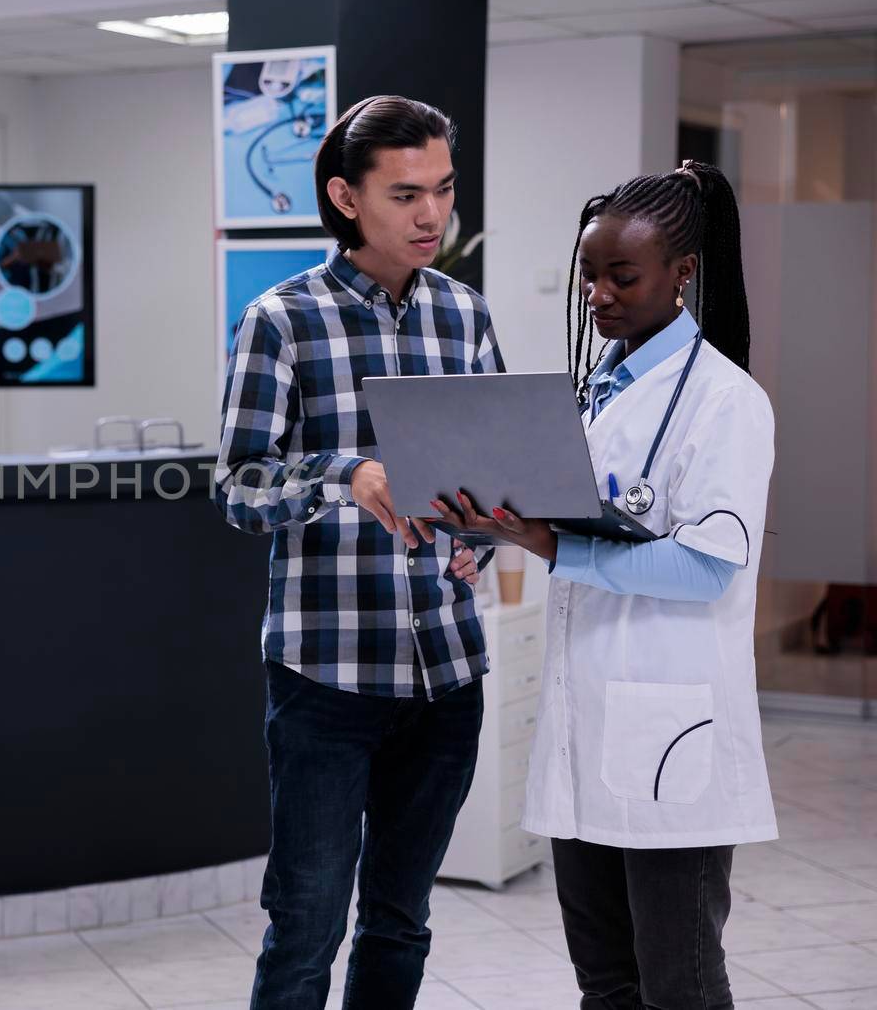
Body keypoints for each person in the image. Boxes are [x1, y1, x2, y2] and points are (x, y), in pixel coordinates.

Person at [435, 161, 773, 1009]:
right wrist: (492, 528)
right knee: (606, 979)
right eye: (591, 273)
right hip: (588, 718)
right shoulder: (601, 392)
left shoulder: (727, 402)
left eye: (622, 275)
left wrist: (551, 542)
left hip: (668, 733)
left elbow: (703, 566)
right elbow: (573, 520)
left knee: (680, 982)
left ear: (681, 274)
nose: (600, 293)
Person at [215, 95, 500, 1010]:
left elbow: (495, 476)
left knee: (402, 920)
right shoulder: (280, 318)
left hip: (447, 673)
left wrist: (481, 541)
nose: (431, 215)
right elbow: (239, 485)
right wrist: (348, 474)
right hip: (326, 679)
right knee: (306, 926)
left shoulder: (466, 315)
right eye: (405, 193)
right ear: (345, 196)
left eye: (445, 190)